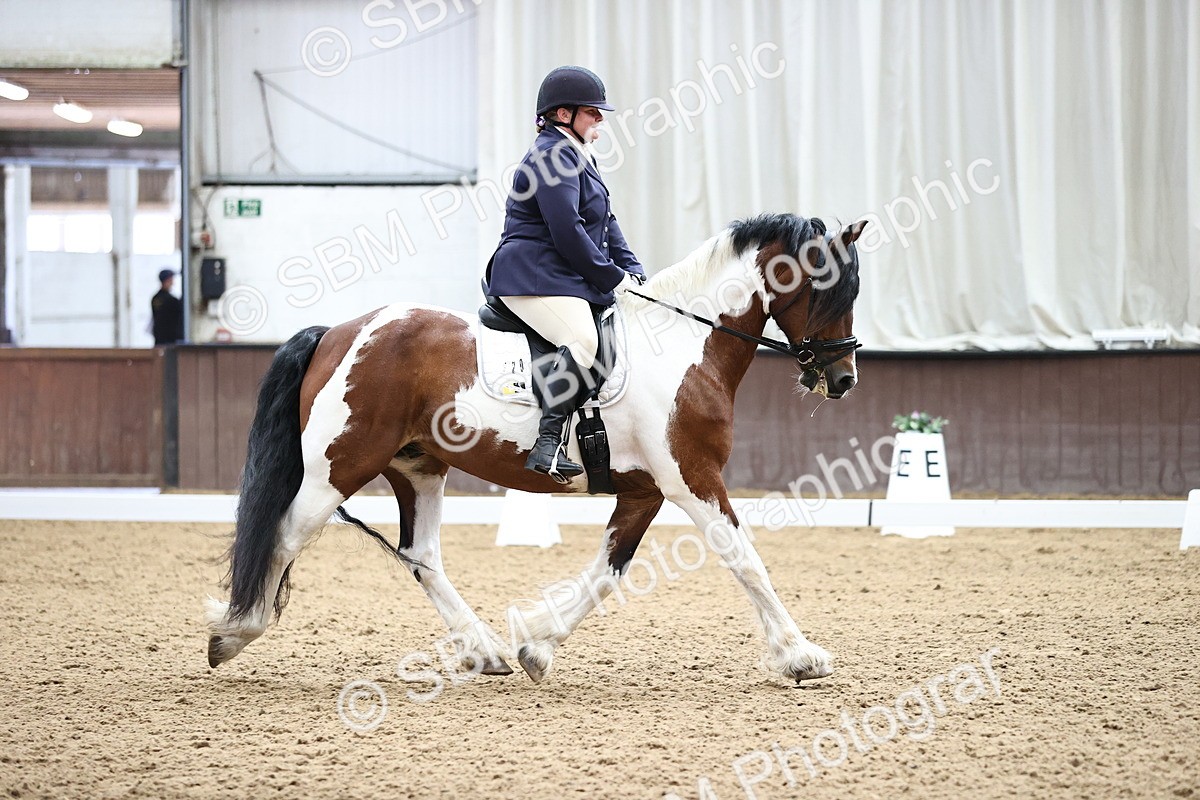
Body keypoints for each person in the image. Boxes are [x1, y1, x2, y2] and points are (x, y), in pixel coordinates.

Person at [485, 65, 646, 480]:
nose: (601, 119)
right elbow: (568, 233)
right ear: (563, 115)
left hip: (558, 277)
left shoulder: (576, 156)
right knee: (582, 339)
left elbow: (606, 223)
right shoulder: (552, 156)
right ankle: (548, 445)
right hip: (532, 276)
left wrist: (635, 272)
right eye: (593, 111)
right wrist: (611, 279)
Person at [151, 268, 184, 345]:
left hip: (159, 341)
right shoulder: (171, 300)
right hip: (171, 343)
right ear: (167, 280)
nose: (172, 282)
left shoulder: (155, 298)